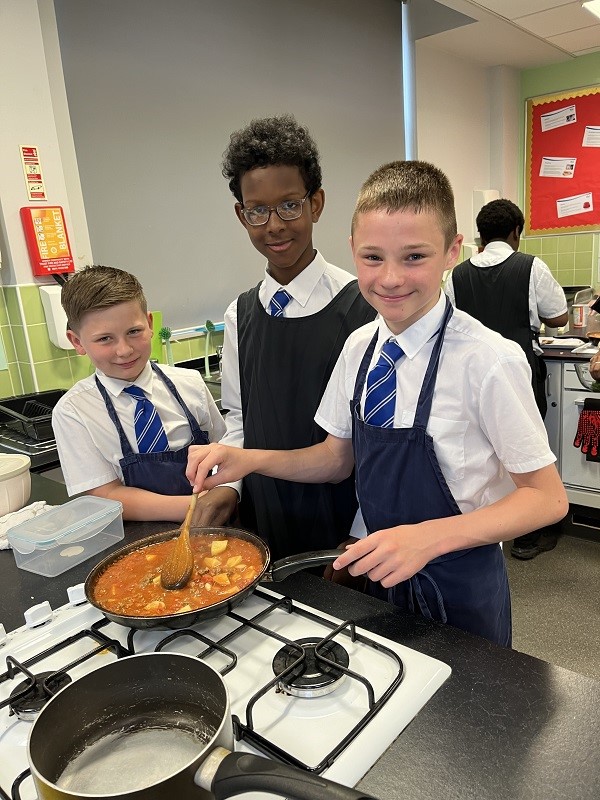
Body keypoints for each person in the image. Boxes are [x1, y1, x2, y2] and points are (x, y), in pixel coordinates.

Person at [186, 160, 569, 648]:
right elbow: (333, 458)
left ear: (453, 251)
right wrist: (247, 459)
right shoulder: (360, 348)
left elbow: (546, 497)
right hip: (379, 576)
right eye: (372, 258)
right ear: (352, 251)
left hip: (458, 582)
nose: (390, 278)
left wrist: (427, 538)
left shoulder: (487, 359)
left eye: (414, 257)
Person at [194, 114, 376, 560]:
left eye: (290, 205)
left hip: (346, 520)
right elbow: (240, 416)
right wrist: (231, 488)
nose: (274, 224)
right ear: (242, 215)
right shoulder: (241, 312)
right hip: (264, 516)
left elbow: (378, 445)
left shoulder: (363, 308)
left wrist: (362, 532)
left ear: (316, 203)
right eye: (258, 210)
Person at [444, 199, 568, 561]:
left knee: (482, 451)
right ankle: (530, 536)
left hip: (467, 374)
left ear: (481, 234)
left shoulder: (457, 275)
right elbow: (559, 317)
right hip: (520, 371)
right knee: (528, 452)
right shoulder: (532, 267)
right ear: (516, 232)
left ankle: (485, 527)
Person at [52, 265, 226, 522]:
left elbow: (225, 451)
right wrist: (198, 507)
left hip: (217, 525)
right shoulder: (74, 412)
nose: (124, 350)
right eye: (105, 339)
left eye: (134, 332)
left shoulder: (190, 384)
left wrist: (225, 495)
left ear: (150, 323)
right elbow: (105, 495)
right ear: (77, 342)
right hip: (138, 541)